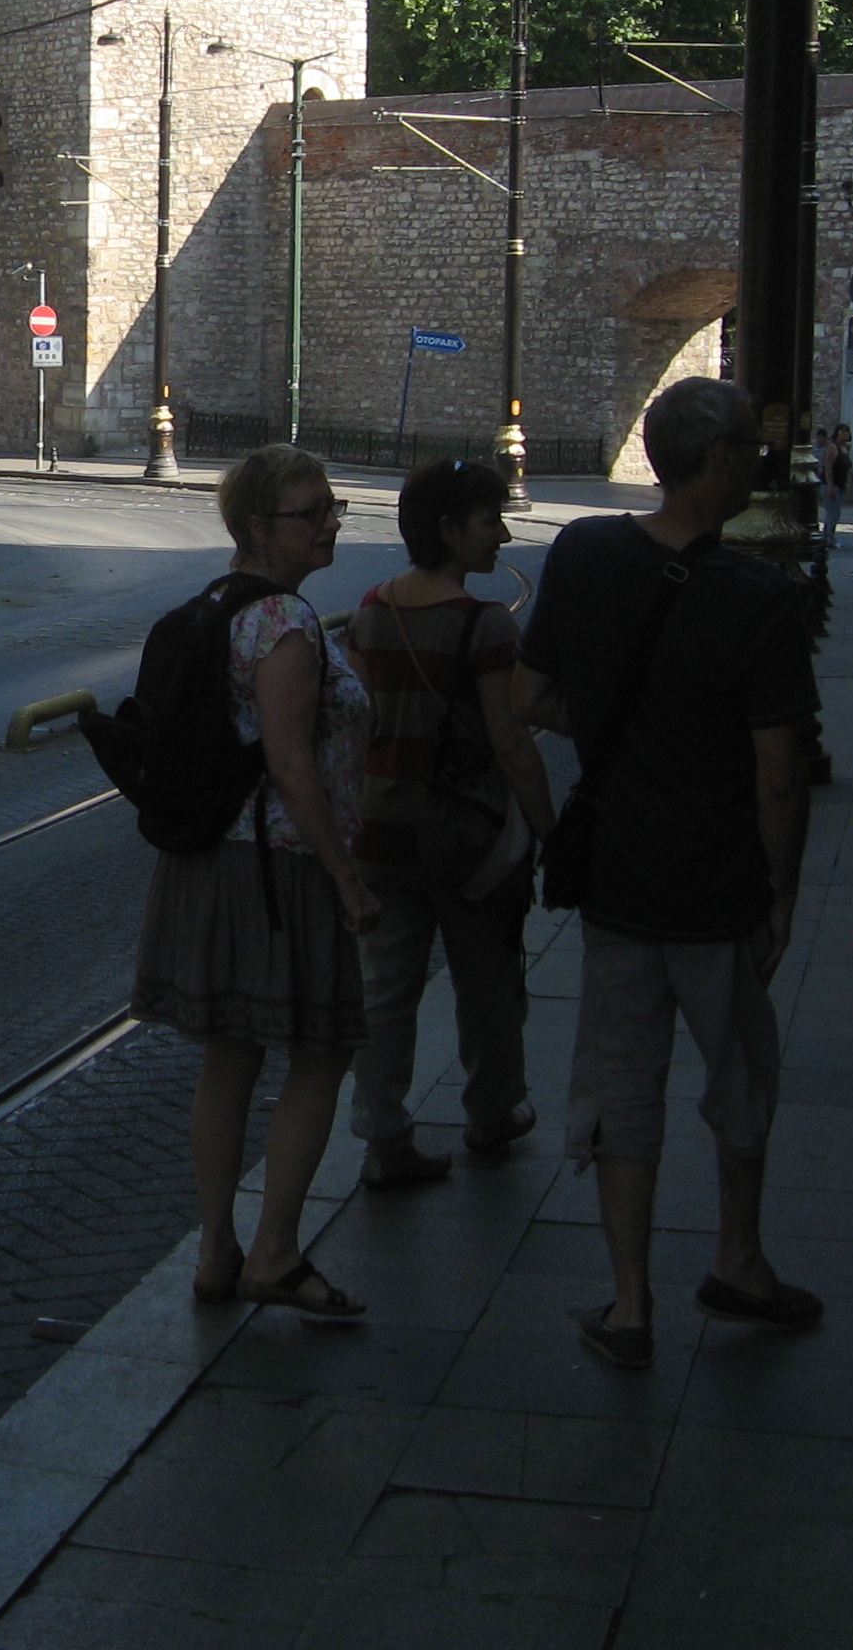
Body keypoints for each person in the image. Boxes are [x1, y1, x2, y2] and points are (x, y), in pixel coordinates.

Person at [512, 376, 823, 1369]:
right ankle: (738, 1260)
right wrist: (781, 894)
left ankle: (630, 1304)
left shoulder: (582, 552)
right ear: (717, 461)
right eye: (749, 445)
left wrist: (618, 727)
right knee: (740, 1080)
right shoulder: (758, 597)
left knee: (621, 1089)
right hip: (717, 884)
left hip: (616, 883)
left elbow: (531, 696)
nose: (758, 459)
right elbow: (780, 774)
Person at [132, 444, 381, 1319]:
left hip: (213, 861)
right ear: (256, 527)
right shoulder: (283, 624)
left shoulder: (214, 605)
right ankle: (273, 1252)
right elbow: (291, 764)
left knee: (231, 1053)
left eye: (331, 508)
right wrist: (346, 879)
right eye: (311, 513)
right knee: (322, 1048)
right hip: (281, 868)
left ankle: (217, 1251)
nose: (328, 525)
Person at [344, 459, 554, 1188]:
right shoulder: (485, 624)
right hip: (469, 843)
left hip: (381, 831)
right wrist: (548, 828)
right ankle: (492, 1113)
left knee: (384, 992)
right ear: (448, 530)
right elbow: (512, 743)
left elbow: (359, 726)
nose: (502, 536)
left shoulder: (371, 609)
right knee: (488, 984)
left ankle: (382, 1137)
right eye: (489, 522)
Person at [819, 424, 853, 550]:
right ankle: (828, 538)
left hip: (840, 484)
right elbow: (828, 467)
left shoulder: (845, 448)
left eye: (846, 432)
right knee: (832, 512)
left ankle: (828, 536)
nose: (845, 435)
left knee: (835, 512)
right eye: (842, 432)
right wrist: (830, 485)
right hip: (831, 484)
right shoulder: (832, 447)